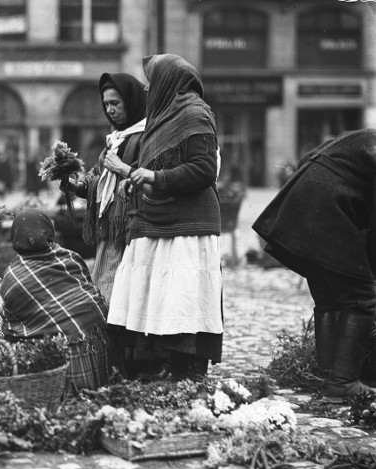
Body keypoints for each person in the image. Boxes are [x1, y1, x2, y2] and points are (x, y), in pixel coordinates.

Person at [107, 54, 224, 380]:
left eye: (152, 82)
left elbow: (204, 170)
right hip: (157, 216)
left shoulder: (195, 114)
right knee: (159, 293)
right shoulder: (161, 117)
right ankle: (162, 363)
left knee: (182, 295)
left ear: (168, 83)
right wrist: (139, 182)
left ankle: (186, 368)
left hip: (188, 223)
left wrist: (155, 179)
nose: (147, 89)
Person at [253, 129, 376, 403]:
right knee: (362, 299)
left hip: (299, 210)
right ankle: (342, 382)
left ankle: (329, 376)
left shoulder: (362, 137)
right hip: (327, 215)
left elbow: (309, 157)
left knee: (331, 299)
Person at [0, 209, 110, 392]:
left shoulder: (13, 277)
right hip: (99, 349)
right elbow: (89, 292)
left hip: (58, 363)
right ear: (48, 231)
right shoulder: (70, 257)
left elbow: (11, 326)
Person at [61, 72, 147, 303]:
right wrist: (76, 186)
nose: (109, 109)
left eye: (115, 103)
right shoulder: (115, 139)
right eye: (106, 104)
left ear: (131, 102)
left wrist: (120, 167)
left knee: (118, 294)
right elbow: (98, 184)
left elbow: (147, 178)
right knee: (104, 288)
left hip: (131, 232)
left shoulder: (146, 137)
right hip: (109, 231)